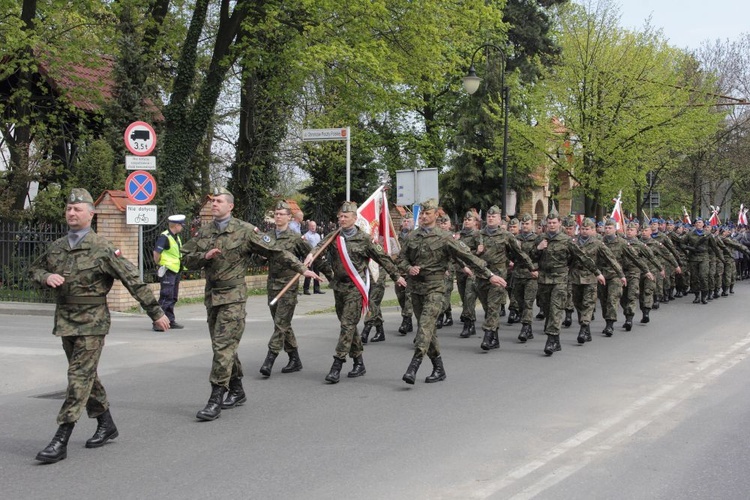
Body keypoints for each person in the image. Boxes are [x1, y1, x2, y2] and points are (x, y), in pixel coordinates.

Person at [30, 188, 170, 464]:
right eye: (69, 209)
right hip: (65, 320)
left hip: (92, 322)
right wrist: (46, 277)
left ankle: (61, 437)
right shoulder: (57, 246)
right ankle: (106, 423)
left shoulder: (103, 248)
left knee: (78, 378)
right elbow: (34, 270)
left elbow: (133, 280)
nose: (72, 213)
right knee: (86, 376)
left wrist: (155, 312)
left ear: (91, 215)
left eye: (77, 209)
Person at [181, 188, 319, 421]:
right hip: (211, 296)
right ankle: (237, 390)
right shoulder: (205, 232)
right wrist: (203, 257)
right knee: (222, 346)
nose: (214, 204)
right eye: (213, 201)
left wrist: (302, 269)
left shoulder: (245, 231)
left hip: (233, 297)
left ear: (230, 206)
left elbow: (276, 251)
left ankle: (216, 397)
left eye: (219, 201)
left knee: (223, 347)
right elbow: (185, 258)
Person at [398, 199, 507, 384]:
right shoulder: (412, 237)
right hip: (416, 288)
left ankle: (413, 366)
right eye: (422, 214)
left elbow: (469, 257)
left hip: (436, 288)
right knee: (429, 329)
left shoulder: (445, 237)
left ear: (435, 215)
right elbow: (400, 260)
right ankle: (439, 368)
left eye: (428, 213)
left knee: (424, 326)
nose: (424, 216)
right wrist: (408, 268)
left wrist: (489, 275)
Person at [306, 201, 406, 383]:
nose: (342, 219)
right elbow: (319, 246)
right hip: (339, 287)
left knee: (347, 325)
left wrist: (396, 276)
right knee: (349, 327)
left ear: (354, 218)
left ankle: (337, 364)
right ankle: (359, 362)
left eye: (345, 217)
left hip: (355, 287)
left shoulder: (364, 239)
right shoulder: (334, 236)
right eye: (340, 217)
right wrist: (312, 254)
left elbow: (383, 258)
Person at [530, 212, 603, 356]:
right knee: (546, 307)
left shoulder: (567, 240)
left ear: (559, 224)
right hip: (544, 279)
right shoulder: (540, 239)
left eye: (554, 223)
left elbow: (581, 257)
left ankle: (551, 339)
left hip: (560, 279)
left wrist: (597, 272)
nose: (551, 225)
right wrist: (538, 249)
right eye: (549, 223)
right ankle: (555, 339)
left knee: (556, 308)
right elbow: (531, 256)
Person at [259, 201, 314, 377]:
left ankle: (270, 359)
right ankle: (295, 359)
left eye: (282, 214)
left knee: (281, 323)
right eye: (276, 213)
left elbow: (311, 254)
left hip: (289, 284)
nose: (278, 216)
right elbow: (259, 260)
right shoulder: (267, 237)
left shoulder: (295, 237)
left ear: (289, 218)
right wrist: (260, 256)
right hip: (272, 283)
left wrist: (314, 266)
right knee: (281, 323)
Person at [474, 205, 533, 351]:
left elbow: (519, 254)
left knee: (493, 306)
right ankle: (495, 338)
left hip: (499, 276)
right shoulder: (479, 235)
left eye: (493, 216)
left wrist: (533, 268)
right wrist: (477, 251)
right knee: (488, 308)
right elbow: (468, 255)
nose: (491, 218)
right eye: (488, 216)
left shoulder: (506, 236)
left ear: (499, 219)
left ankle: (488, 336)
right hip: (482, 275)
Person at [570, 218, 624, 343]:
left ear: (593, 230)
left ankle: (583, 329)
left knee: (588, 304)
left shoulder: (597, 243)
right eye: (582, 229)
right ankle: (586, 328)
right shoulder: (573, 242)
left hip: (591, 277)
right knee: (578, 303)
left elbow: (611, 259)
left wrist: (621, 274)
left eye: (587, 229)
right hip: (575, 277)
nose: (584, 231)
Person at [152, 214, 186, 331]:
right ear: (176, 225)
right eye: (182, 225)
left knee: (172, 297)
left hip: (175, 270)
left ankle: (170, 320)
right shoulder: (165, 237)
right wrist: (159, 264)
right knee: (166, 296)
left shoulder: (175, 237)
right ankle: (158, 322)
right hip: (168, 270)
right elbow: (156, 253)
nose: (182, 227)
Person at [513, 214, 540, 342]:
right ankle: (528, 327)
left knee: (528, 302)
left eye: (527, 224)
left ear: (532, 224)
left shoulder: (537, 239)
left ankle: (525, 327)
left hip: (531, 275)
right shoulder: (515, 238)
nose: (524, 226)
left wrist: (537, 269)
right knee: (520, 302)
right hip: (518, 274)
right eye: (523, 224)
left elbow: (542, 257)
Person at [456, 211, 481, 338]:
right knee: (463, 297)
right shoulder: (459, 235)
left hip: (472, 270)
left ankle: (468, 324)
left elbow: (480, 252)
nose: (466, 221)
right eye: (465, 219)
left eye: (469, 219)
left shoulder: (478, 235)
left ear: (475, 222)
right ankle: (470, 320)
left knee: (469, 296)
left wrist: (470, 256)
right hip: (460, 269)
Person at [302, 220, 324, 294]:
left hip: (317, 256)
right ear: (309, 227)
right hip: (309, 257)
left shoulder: (318, 235)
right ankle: (306, 289)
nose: (313, 227)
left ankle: (316, 289)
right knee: (308, 272)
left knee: (317, 272)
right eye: (311, 226)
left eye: (314, 226)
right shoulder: (306, 235)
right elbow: (304, 247)